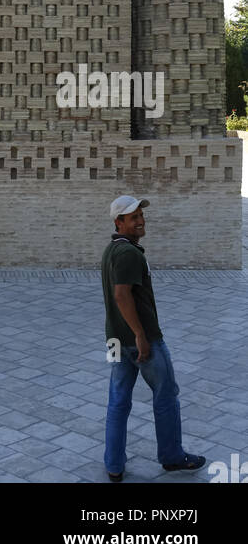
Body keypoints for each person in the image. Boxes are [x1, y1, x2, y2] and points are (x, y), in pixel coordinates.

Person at [101, 195, 205, 481]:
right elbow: (122, 296)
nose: (141, 221)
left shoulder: (111, 250)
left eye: (141, 215)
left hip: (114, 341)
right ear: (118, 222)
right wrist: (140, 335)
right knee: (166, 396)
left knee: (118, 401)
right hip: (140, 341)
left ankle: (113, 464)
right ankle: (172, 457)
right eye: (133, 217)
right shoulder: (128, 255)